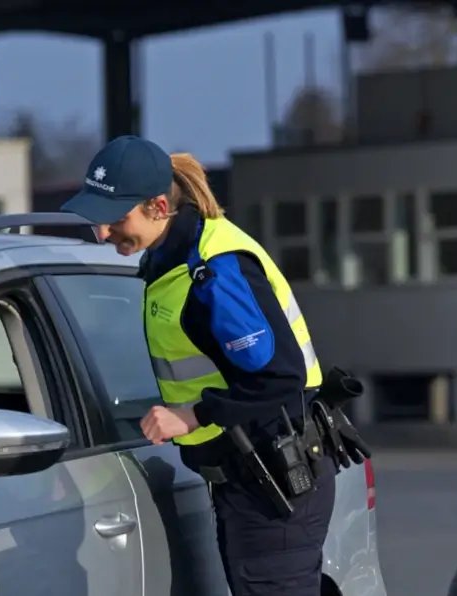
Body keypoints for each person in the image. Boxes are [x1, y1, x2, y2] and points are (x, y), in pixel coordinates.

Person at [60, 135, 335, 596]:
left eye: (114, 219)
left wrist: (191, 416)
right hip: (247, 478)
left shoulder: (214, 269)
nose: (102, 234)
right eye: (96, 221)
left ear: (159, 207)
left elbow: (279, 378)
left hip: (275, 481)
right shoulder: (173, 260)